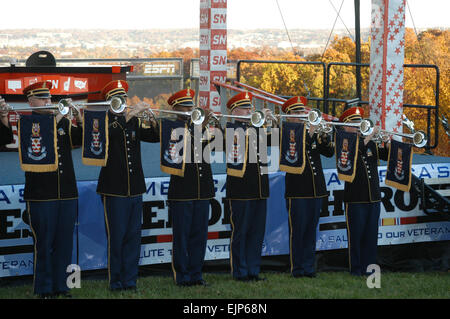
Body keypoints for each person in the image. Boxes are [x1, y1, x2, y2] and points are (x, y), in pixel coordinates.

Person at [20, 81, 83, 298]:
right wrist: (60, 116)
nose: (49, 101)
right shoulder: (27, 122)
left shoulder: (62, 121)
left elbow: (82, 141)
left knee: (65, 243)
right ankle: (44, 289)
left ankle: (62, 286)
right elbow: (41, 136)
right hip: (41, 194)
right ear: (31, 101)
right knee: (44, 243)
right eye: (43, 98)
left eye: (49, 98)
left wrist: (79, 118)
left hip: (66, 192)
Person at [96, 80, 159, 291]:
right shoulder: (103, 121)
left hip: (135, 188)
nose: (122, 102)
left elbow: (154, 137)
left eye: (123, 98)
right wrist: (130, 115)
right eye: (117, 99)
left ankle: (130, 281)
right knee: (117, 238)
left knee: (133, 237)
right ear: (109, 102)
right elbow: (109, 136)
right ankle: (116, 282)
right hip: (114, 189)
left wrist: (152, 121)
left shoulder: (132, 121)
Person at [165, 89, 215, 287]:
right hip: (183, 190)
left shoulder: (200, 125)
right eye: (185, 106)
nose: (189, 109)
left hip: (203, 189)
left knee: (199, 236)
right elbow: (182, 150)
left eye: (190, 105)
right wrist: (200, 126)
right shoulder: (173, 127)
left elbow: (213, 146)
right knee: (182, 237)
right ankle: (182, 275)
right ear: (176, 109)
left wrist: (210, 126)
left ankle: (196, 274)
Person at [281, 96, 334, 278]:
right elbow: (295, 152)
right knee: (298, 231)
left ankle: (309, 267)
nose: (302, 115)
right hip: (298, 189)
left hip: (315, 189)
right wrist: (311, 132)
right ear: (288, 116)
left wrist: (325, 137)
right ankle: (297, 268)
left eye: (302, 111)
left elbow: (329, 153)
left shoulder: (311, 131)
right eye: (297, 113)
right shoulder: (287, 132)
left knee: (311, 230)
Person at [225, 91, 272, 282]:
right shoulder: (230, 129)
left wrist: (269, 121)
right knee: (241, 232)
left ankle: (253, 269)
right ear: (235, 111)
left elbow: (272, 140)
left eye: (250, 108)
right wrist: (258, 123)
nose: (249, 111)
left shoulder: (256, 127)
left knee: (256, 232)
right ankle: (240, 271)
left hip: (259, 188)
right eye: (245, 108)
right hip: (241, 189)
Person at [338, 106, 388, 276]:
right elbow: (352, 153)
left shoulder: (369, 142)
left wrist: (387, 142)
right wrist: (369, 136)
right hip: (355, 197)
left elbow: (386, 155)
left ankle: (370, 268)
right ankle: (356, 269)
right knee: (356, 237)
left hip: (373, 196)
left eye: (359, 122)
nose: (358, 125)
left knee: (371, 236)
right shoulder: (344, 141)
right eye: (354, 123)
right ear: (345, 126)